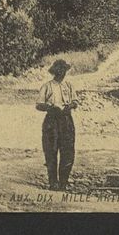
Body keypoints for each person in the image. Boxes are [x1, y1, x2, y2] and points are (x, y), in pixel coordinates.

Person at [36, 59, 79, 190]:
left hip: (66, 120)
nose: (62, 73)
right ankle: (53, 182)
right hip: (51, 121)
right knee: (51, 150)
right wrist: (49, 108)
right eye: (60, 71)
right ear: (55, 72)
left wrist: (70, 106)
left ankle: (63, 182)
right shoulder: (47, 86)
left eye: (64, 71)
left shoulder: (69, 85)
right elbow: (39, 105)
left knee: (68, 151)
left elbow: (75, 101)